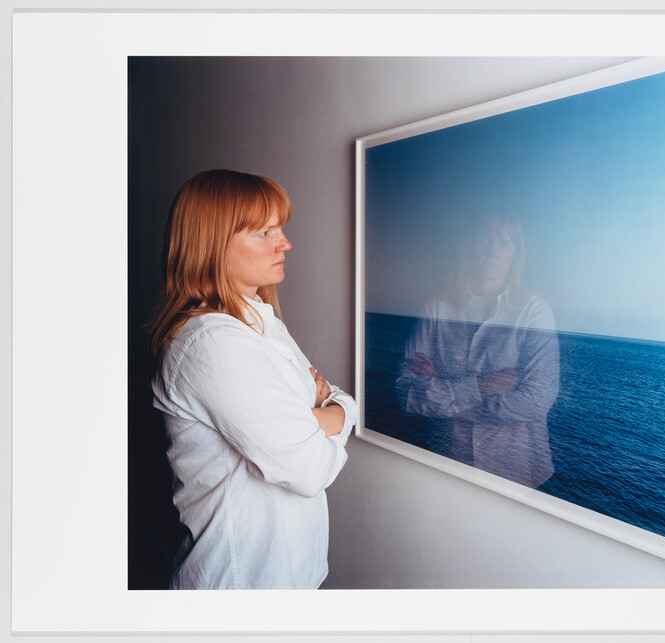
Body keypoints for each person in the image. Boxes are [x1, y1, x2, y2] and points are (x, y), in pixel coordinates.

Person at [149, 169, 357, 589]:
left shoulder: (259, 317)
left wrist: (324, 413)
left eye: (280, 228)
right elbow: (309, 469)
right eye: (264, 232)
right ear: (212, 243)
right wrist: (327, 415)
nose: (285, 243)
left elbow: (339, 397)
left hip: (292, 575)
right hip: (240, 587)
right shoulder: (212, 342)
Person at [396, 214, 559, 489]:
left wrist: (446, 389)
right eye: (486, 238)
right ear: (470, 245)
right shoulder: (436, 308)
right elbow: (406, 393)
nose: (493, 249)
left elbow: (537, 398)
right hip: (448, 462)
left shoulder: (534, 311)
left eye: (505, 243)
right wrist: (485, 385)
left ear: (516, 254)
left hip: (515, 471)